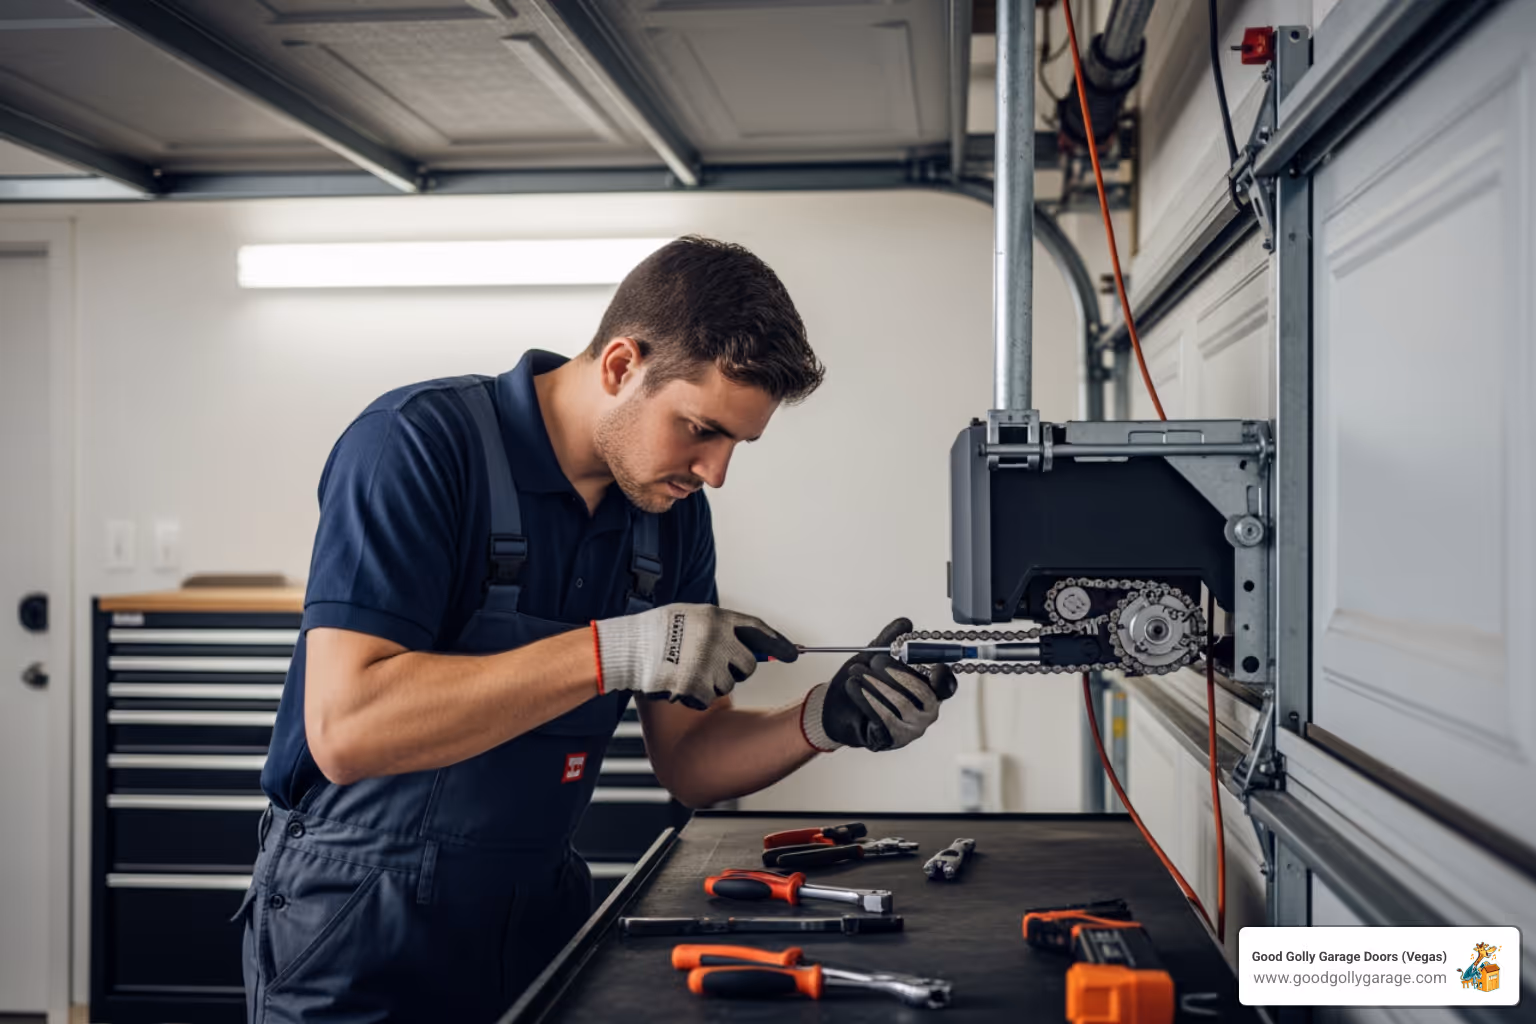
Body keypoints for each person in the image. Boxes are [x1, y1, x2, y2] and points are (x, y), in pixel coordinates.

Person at [238, 236, 957, 1023]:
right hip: (358, 912)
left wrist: (820, 720)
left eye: (736, 446)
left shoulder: (672, 520)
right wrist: (616, 650)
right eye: (700, 429)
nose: (714, 473)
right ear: (621, 365)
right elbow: (348, 729)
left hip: (537, 904)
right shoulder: (417, 445)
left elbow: (688, 761)